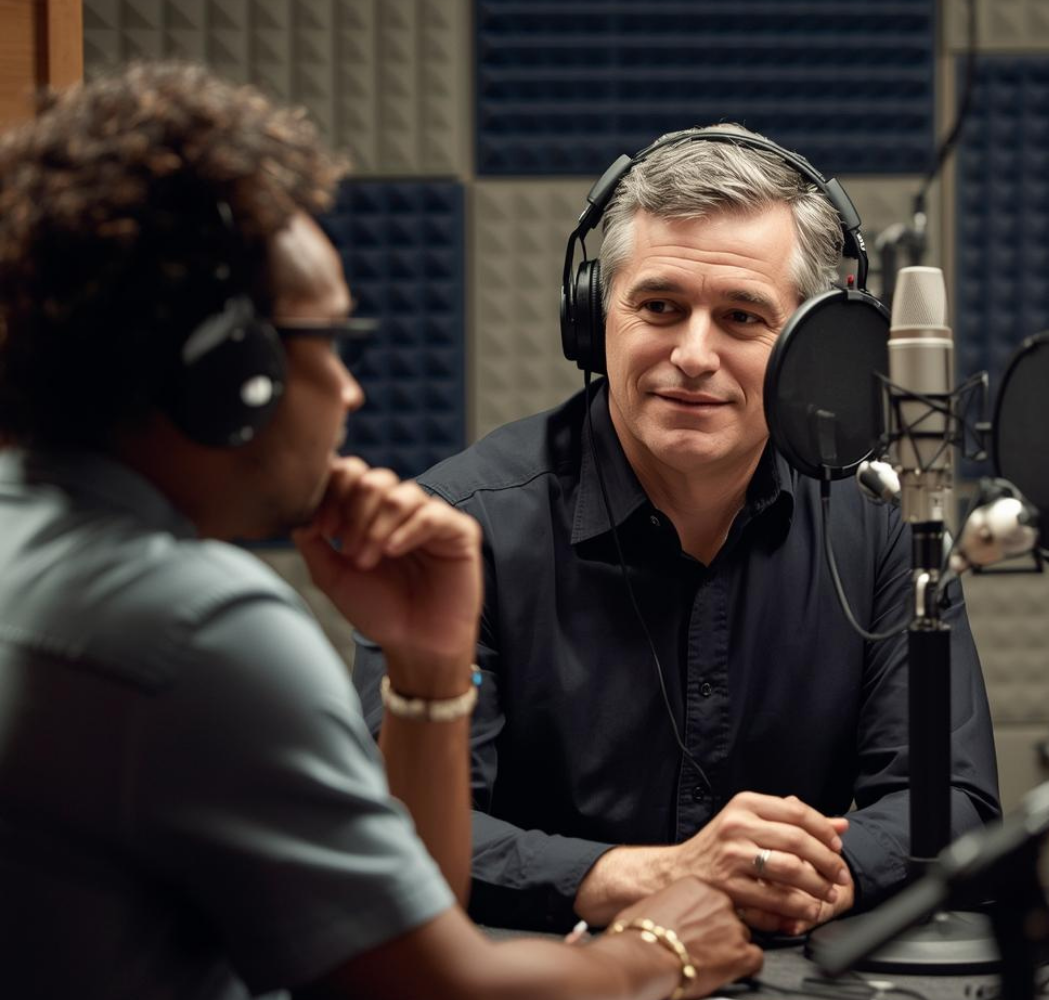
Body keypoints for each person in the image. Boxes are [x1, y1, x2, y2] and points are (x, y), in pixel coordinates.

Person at [0, 63, 760, 999]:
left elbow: (410, 913)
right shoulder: (196, 630)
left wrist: (431, 673)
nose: (353, 391)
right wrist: (656, 949)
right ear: (228, 371)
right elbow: (431, 992)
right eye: (328, 342)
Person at [353, 125, 1001, 934]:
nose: (694, 355)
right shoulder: (458, 532)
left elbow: (953, 800)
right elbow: (398, 844)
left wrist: (818, 873)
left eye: (741, 317)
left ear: (812, 345)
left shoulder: (883, 520)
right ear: (593, 317)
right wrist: (644, 877)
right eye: (660, 306)